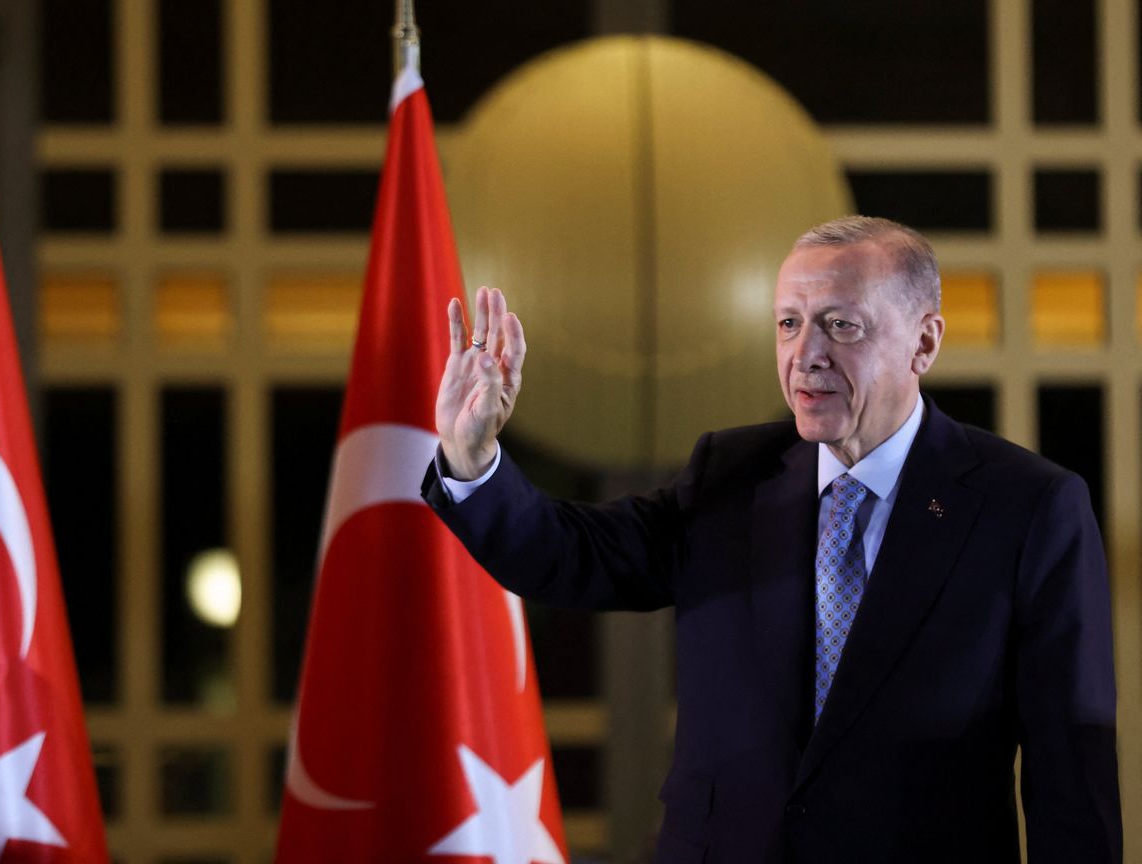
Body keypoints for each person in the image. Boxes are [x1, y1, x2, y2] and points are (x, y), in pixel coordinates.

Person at [421, 216, 1121, 863]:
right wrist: (472, 460)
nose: (806, 354)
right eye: (789, 324)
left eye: (841, 326)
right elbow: (568, 556)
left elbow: (1072, 777)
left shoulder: (1027, 507)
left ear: (925, 341)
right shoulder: (728, 477)